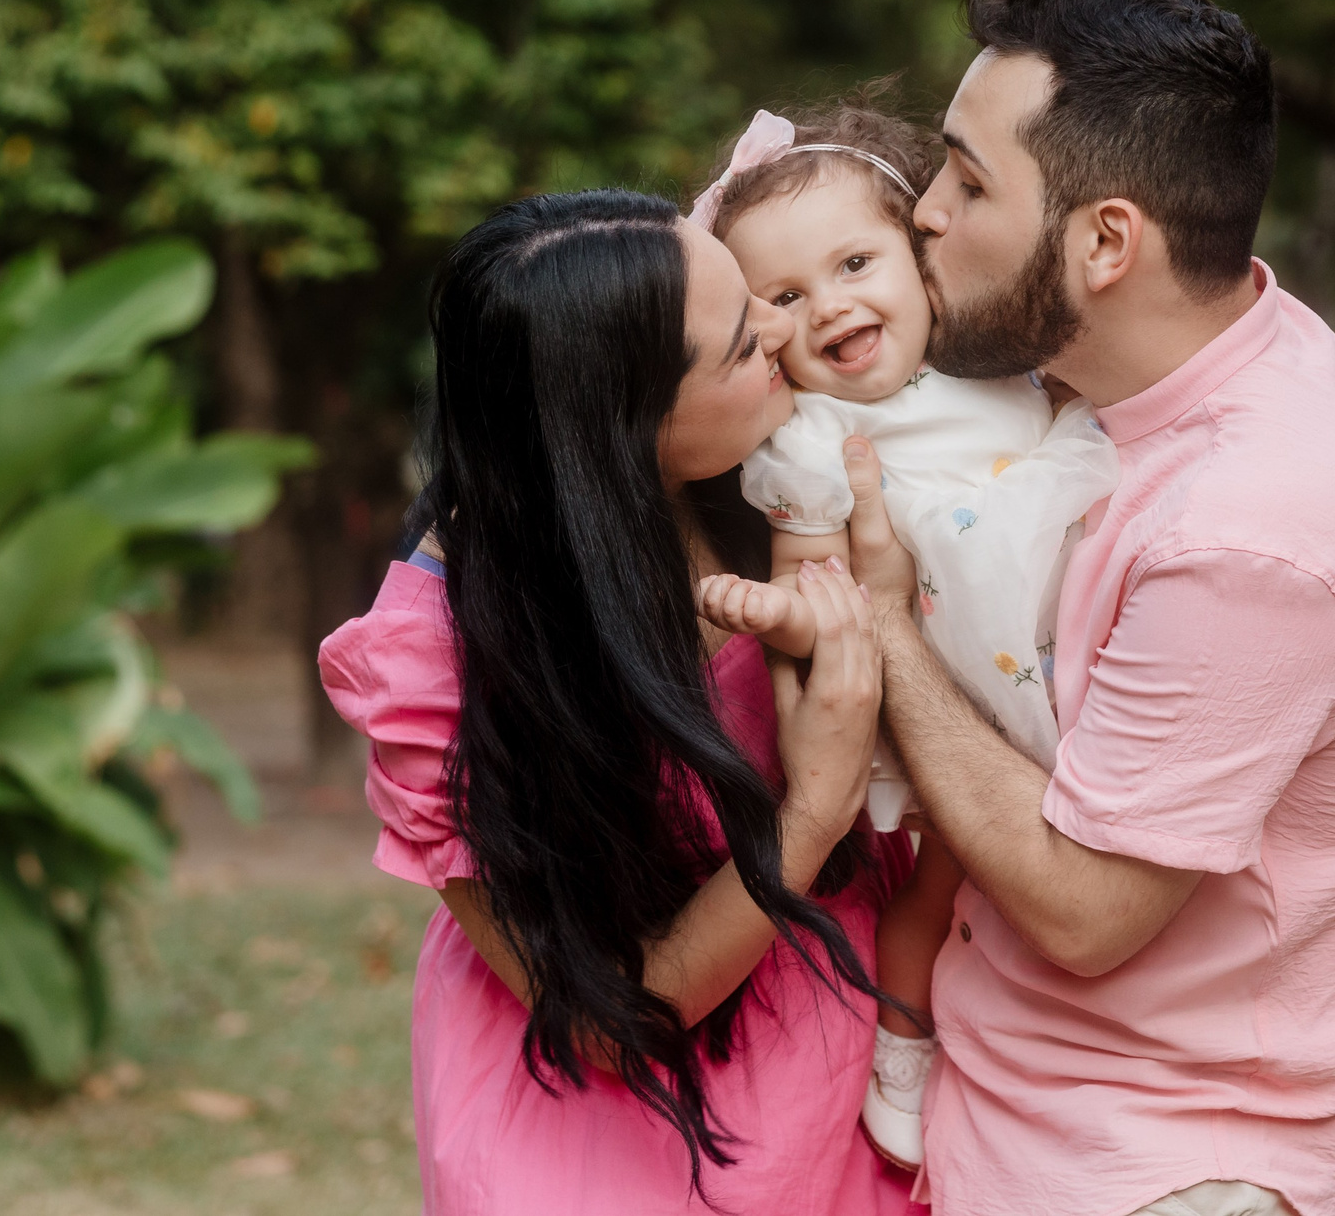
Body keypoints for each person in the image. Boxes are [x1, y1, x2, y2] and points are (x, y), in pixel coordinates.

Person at [846, 0, 1335, 1216]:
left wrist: (879, 625)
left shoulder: (1251, 530)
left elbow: (1086, 907)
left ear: (1106, 242)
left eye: (968, 182)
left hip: (1159, 1166)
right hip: (1040, 1128)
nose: (924, 213)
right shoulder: (1222, 350)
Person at [317, 187, 920, 1215]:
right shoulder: (439, 661)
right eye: (741, 341)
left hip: (835, 1057)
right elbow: (607, 1012)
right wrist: (812, 806)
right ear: (625, 430)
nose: (785, 327)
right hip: (608, 1122)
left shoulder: (774, 459)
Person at [686, 98, 1119, 1171]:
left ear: (920, 257)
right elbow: (813, 588)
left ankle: (1073, 1066)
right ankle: (905, 1039)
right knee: (937, 888)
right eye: (784, 295)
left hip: (1082, 667)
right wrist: (772, 607)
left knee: (1082, 881)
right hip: (953, 705)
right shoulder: (812, 438)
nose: (828, 303)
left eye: (853, 262)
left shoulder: (1003, 362)